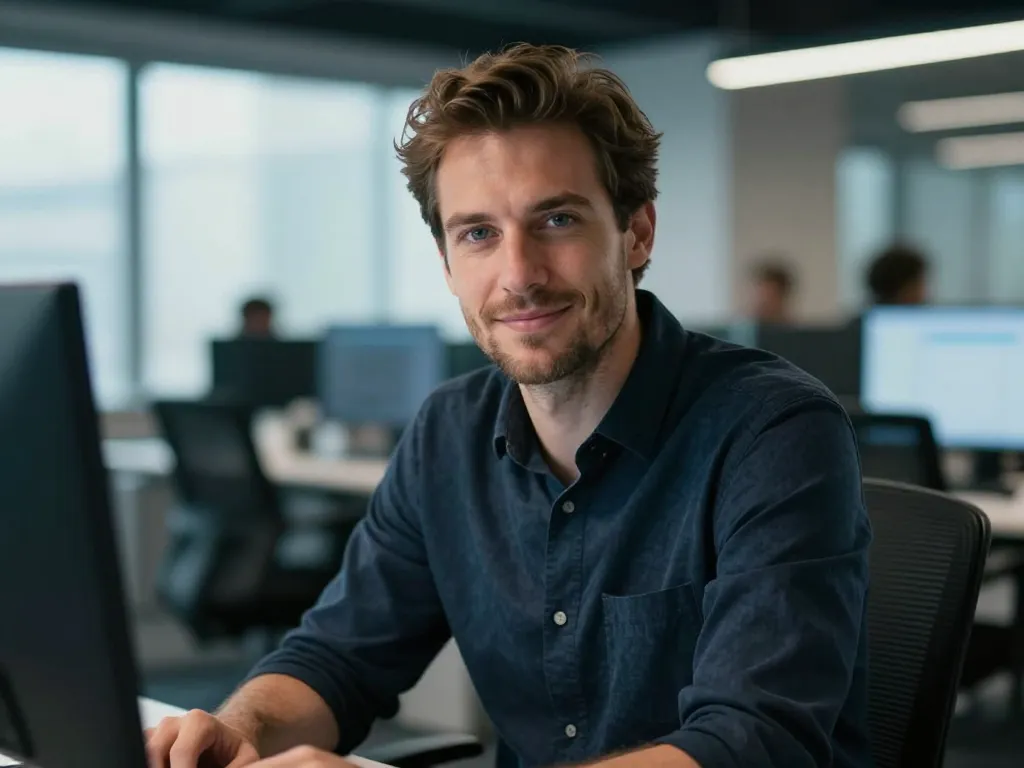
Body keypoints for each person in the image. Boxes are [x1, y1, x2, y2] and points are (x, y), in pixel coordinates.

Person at [147, 44, 871, 768]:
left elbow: (752, 744)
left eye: (557, 220)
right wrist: (239, 730)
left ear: (637, 232)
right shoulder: (447, 433)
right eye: (479, 234)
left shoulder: (771, 431)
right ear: (447, 263)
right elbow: (337, 655)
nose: (518, 274)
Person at [748, 257, 796, 323]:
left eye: (770, 297)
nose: (763, 303)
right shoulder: (742, 326)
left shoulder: (794, 327)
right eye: (760, 296)